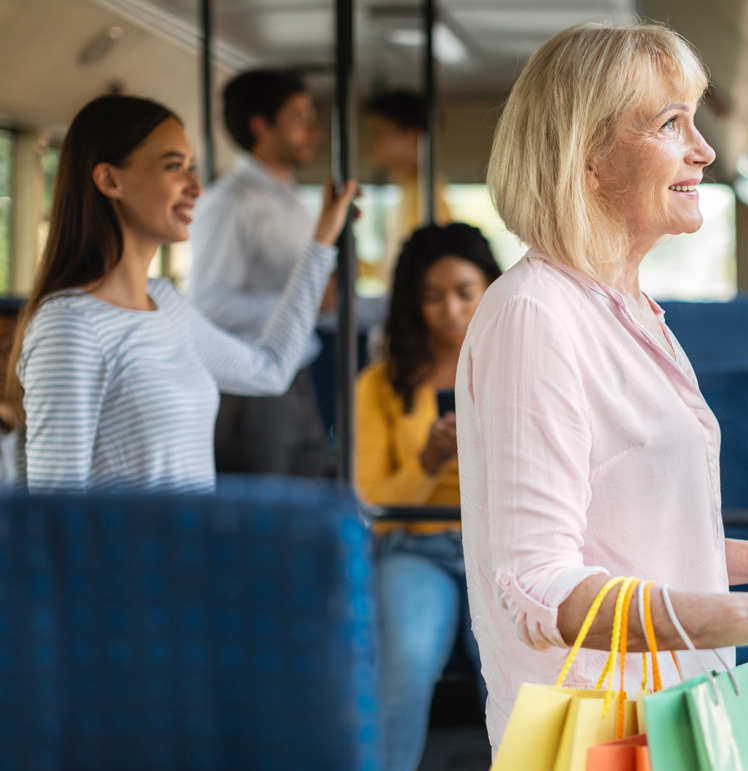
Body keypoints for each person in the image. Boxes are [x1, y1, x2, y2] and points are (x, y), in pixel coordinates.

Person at [457, 20, 748, 750]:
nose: (704, 150)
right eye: (671, 123)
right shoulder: (535, 315)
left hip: (685, 709)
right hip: (605, 741)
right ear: (587, 158)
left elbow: (637, 541)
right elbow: (541, 585)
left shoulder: (629, 309)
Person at [6, 94, 355, 492]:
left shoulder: (166, 303)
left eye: (192, 168)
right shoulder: (69, 327)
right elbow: (55, 511)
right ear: (109, 180)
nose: (195, 187)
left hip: (192, 552)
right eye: (174, 167)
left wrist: (324, 236)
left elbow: (270, 370)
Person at [355, 222, 500, 771]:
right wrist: (431, 460)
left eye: (466, 291)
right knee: (406, 662)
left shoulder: (523, 368)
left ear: (492, 288)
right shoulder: (382, 386)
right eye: (433, 295)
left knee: (513, 671)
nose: (451, 310)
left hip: (504, 547)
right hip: (419, 548)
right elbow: (374, 502)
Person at [188, 69, 336, 477]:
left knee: (308, 494)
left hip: (299, 372)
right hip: (253, 385)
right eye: (299, 118)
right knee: (269, 513)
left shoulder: (292, 199)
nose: (314, 131)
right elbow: (209, 306)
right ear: (261, 126)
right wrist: (304, 301)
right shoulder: (230, 204)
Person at [364, 89, 452, 272]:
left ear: (414, 138)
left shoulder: (425, 196)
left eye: (380, 132)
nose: (371, 140)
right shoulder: (410, 193)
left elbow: (420, 271)